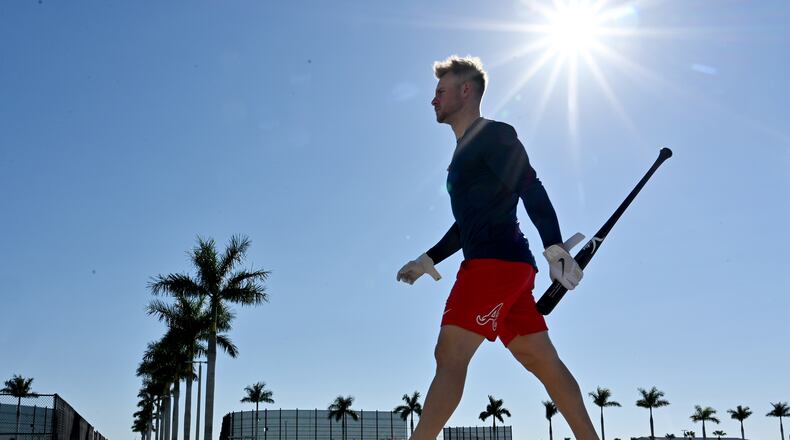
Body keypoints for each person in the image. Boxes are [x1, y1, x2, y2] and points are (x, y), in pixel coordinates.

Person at [396, 55, 600, 440]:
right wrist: (426, 260)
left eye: (441, 91)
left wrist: (554, 247)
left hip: (493, 267)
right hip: (510, 271)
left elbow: (530, 186)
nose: (434, 99)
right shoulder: (463, 152)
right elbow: (467, 223)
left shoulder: (493, 135)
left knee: (450, 355)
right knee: (541, 359)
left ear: (466, 90)